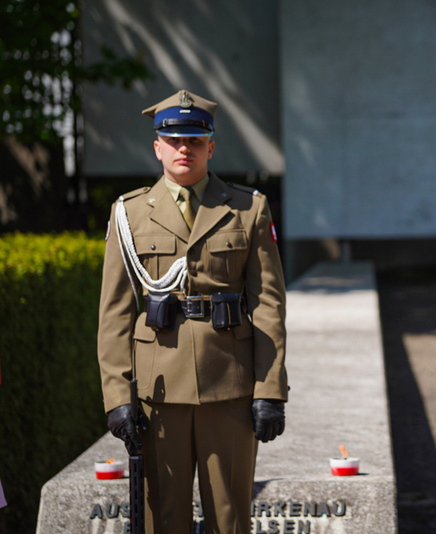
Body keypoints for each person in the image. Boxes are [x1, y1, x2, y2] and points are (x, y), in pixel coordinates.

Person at [97, 89, 288, 534]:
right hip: (157, 391)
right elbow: (115, 315)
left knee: (231, 518)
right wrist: (117, 396)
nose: (185, 149)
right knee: (162, 517)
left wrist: (270, 389)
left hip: (231, 387)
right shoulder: (129, 215)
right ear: (158, 147)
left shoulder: (248, 208)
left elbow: (268, 306)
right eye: (175, 140)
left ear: (211, 146)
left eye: (196, 140)